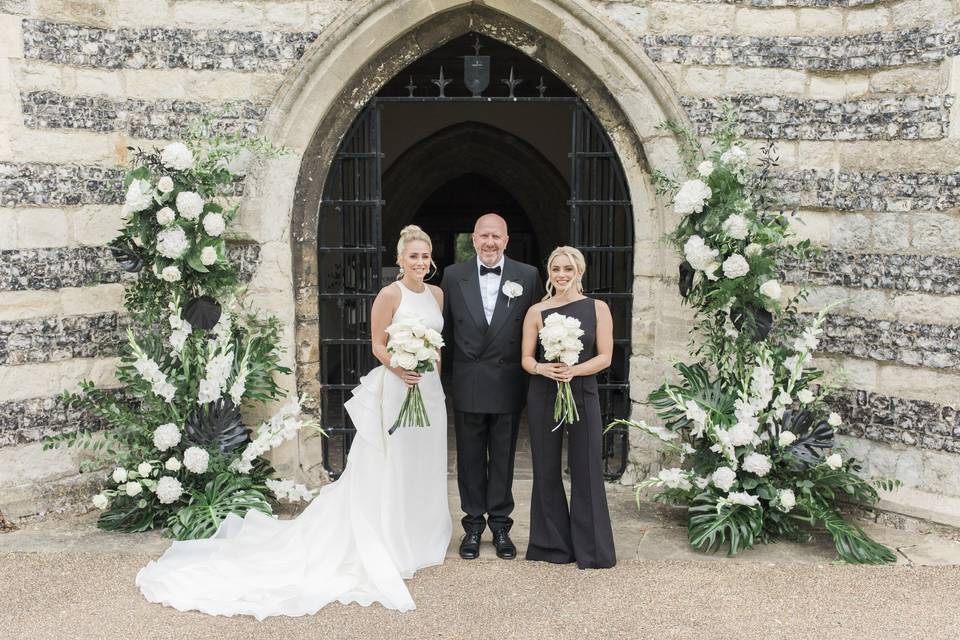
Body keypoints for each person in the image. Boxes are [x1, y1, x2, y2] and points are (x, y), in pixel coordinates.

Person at [136, 225, 452, 617]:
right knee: (395, 462)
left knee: (424, 462)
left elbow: (437, 343)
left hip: (430, 392)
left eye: (425, 256)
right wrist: (401, 365)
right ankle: (393, 539)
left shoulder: (437, 294)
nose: (420, 263)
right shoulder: (390, 295)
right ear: (401, 260)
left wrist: (430, 370)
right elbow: (376, 344)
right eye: (413, 256)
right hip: (398, 387)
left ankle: (422, 537)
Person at [440, 213, 543, 560]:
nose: (489, 242)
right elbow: (446, 333)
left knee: (503, 458)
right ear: (473, 239)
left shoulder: (527, 276)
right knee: (468, 458)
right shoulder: (453, 276)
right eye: (483, 236)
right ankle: (471, 527)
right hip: (468, 379)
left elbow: (536, 331)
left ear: (506, 239)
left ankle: (500, 526)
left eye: (496, 236)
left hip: (507, 380)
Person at [521, 246, 616, 569]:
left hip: (583, 391)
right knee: (545, 468)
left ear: (579, 272)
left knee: (587, 467)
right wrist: (541, 369)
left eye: (568, 269)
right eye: (556, 269)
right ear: (549, 272)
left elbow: (605, 356)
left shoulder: (598, 308)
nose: (561, 274)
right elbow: (526, 358)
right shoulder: (536, 311)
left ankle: (592, 550)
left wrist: (575, 370)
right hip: (544, 393)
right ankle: (552, 546)